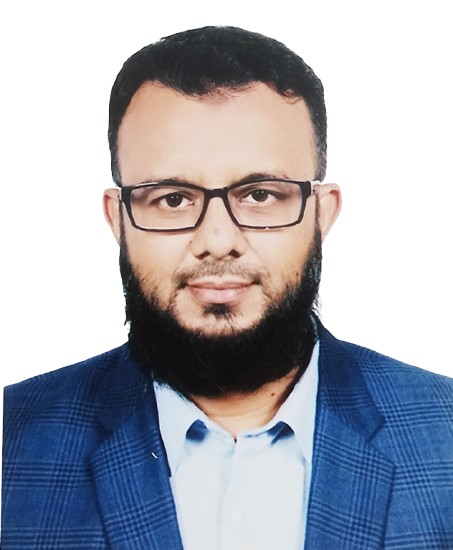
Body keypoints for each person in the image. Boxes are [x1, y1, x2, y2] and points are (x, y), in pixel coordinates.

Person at [2, 25, 452, 550]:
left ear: (322, 213)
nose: (217, 240)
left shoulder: (445, 433)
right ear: (118, 219)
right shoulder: (12, 440)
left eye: (260, 194)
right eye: (172, 199)